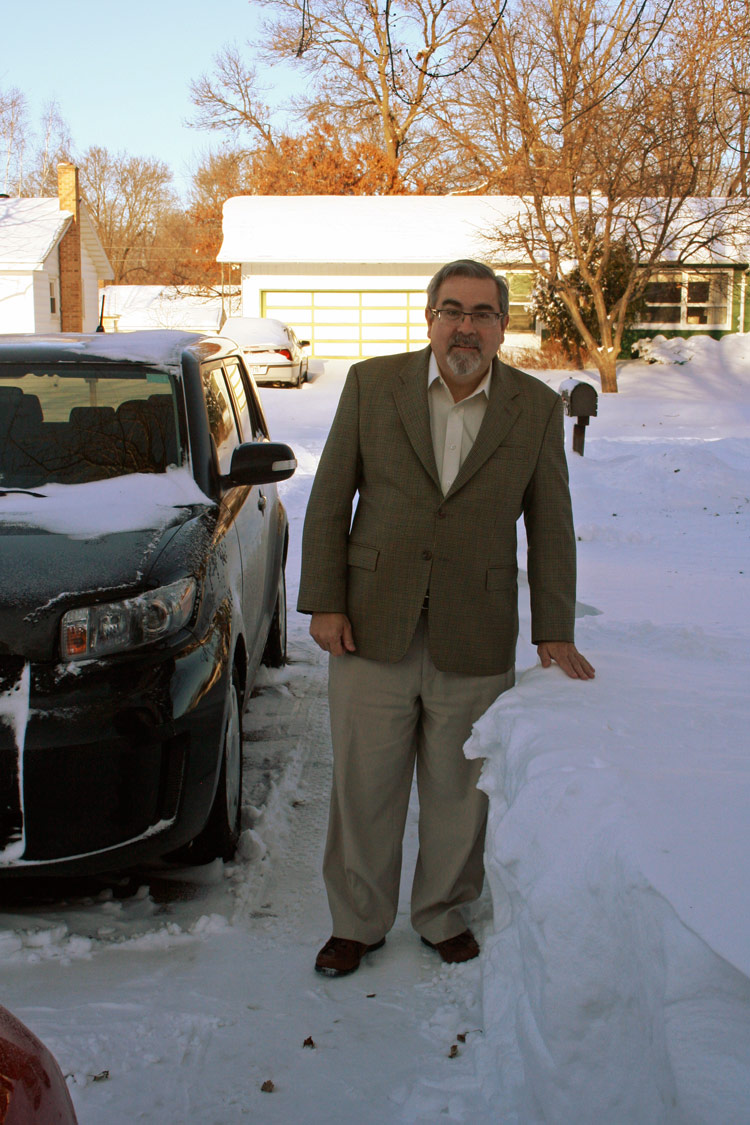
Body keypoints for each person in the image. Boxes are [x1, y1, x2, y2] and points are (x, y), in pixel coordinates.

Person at [298, 259, 595, 977]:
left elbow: (550, 523)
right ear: (430, 317)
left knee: (458, 790)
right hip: (371, 623)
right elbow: (331, 496)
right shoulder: (373, 386)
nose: (466, 325)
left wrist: (554, 627)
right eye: (453, 309)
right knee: (365, 783)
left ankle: (442, 912)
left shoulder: (533, 406)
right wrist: (325, 599)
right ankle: (358, 921)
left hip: (476, 625)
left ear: (501, 325)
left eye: (483, 312)